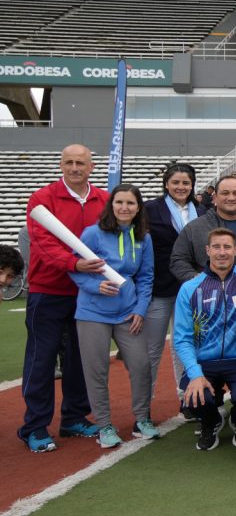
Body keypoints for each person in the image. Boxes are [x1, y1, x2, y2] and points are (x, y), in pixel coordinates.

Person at [19, 144, 109, 453]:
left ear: (91, 167)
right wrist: (74, 264)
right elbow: (43, 243)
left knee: (79, 359)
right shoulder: (42, 199)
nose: (74, 168)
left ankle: (73, 416)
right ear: (61, 164)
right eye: (69, 162)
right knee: (41, 359)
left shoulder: (104, 200)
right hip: (49, 291)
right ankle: (35, 425)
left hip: (87, 294)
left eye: (80, 163)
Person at [70, 184, 156, 448]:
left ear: (138, 207)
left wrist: (140, 309)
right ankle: (105, 425)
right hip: (93, 313)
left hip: (128, 313)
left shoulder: (144, 237)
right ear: (111, 205)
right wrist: (96, 286)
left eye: (130, 203)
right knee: (97, 371)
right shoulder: (93, 234)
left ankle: (142, 419)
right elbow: (74, 268)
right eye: (119, 202)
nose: (124, 207)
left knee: (141, 365)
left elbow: (145, 277)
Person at [174, 228, 236, 450]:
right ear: (207, 250)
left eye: (227, 247)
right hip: (204, 361)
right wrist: (195, 374)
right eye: (216, 247)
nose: (222, 252)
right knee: (194, 398)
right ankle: (212, 421)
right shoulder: (189, 288)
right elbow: (181, 338)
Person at [143, 163, 206, 415]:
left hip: (192, 289)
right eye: (176, 182)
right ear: (166, 184)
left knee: (186, 345)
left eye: (186, 183)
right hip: (160, 287)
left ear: (192, 185)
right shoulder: (149, 210)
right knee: (152, 348)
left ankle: (188, 398)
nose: (181, 187)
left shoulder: (202, 212)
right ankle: (143, 403)